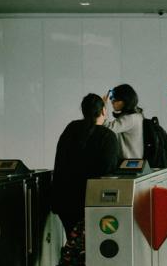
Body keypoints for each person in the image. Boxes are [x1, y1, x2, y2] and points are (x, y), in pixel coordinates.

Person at [51, 93, 121, 234]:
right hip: (92, 202)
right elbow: (108, 172)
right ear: (103, 111)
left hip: (65, 200)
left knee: (73, 241)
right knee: (94, 245)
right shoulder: (107, 136)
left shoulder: (71, 129)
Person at [103, 83, 144, 158]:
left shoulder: (130, 118)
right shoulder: (137, 115)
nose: (112, 102)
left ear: (125, 100)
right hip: (134, 161)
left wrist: (103, 108)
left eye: (115, 99)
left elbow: (107, 128)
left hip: (130, 163)